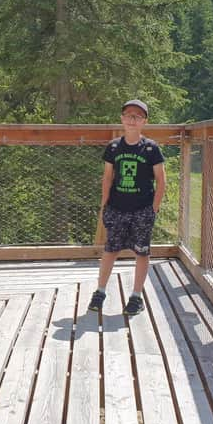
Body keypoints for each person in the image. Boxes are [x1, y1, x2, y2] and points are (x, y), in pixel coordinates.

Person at [89, 99, 166, 315]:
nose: (133, 120)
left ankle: (135, 297)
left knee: (141, 252)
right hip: (117, 207)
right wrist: (105, 206)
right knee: (110, 249)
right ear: (122, 119)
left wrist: (154, 209)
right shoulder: (114, 147)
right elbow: (107, 178)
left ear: (144, 121)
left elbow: (161, 180)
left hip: (142, 209)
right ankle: (100, 292)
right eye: (129, 115)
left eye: (138, 116)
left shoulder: (151, 148)